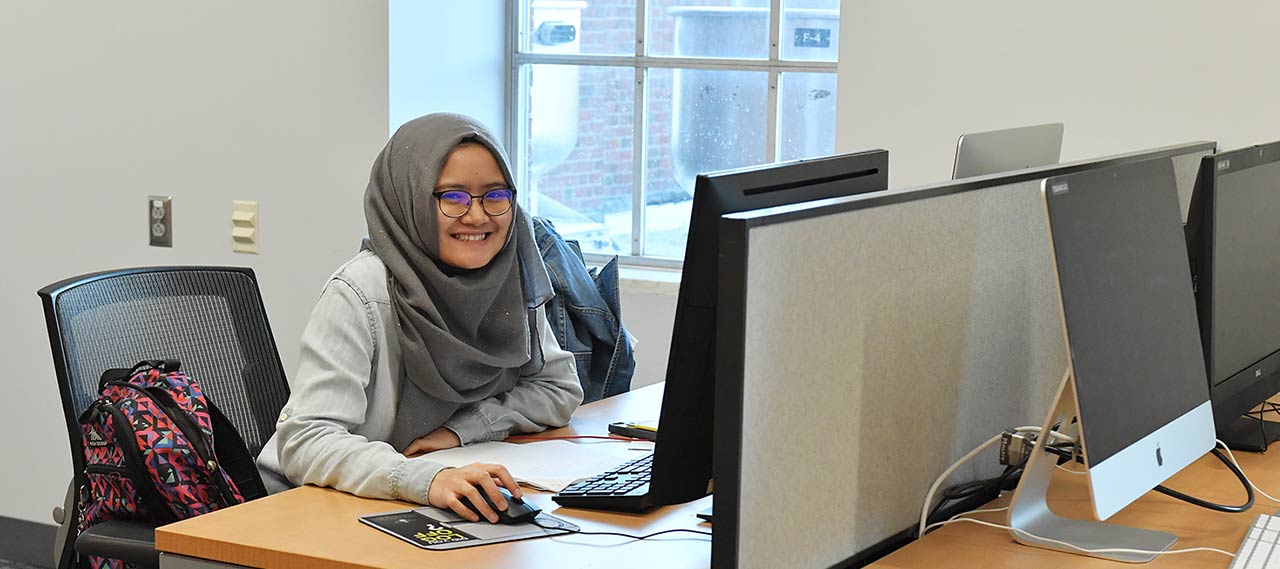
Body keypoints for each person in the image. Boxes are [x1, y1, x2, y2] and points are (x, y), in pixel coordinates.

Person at [256, 113, 584, 523]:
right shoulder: (361, 292)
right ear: (409, 199)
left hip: (421, 504)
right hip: (312, 511)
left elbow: (557, 387)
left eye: (495, 195)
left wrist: (464, 430)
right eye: (453, 197)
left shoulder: (507, 281)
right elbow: (306, 441)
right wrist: (426, 479)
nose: (478, 216)